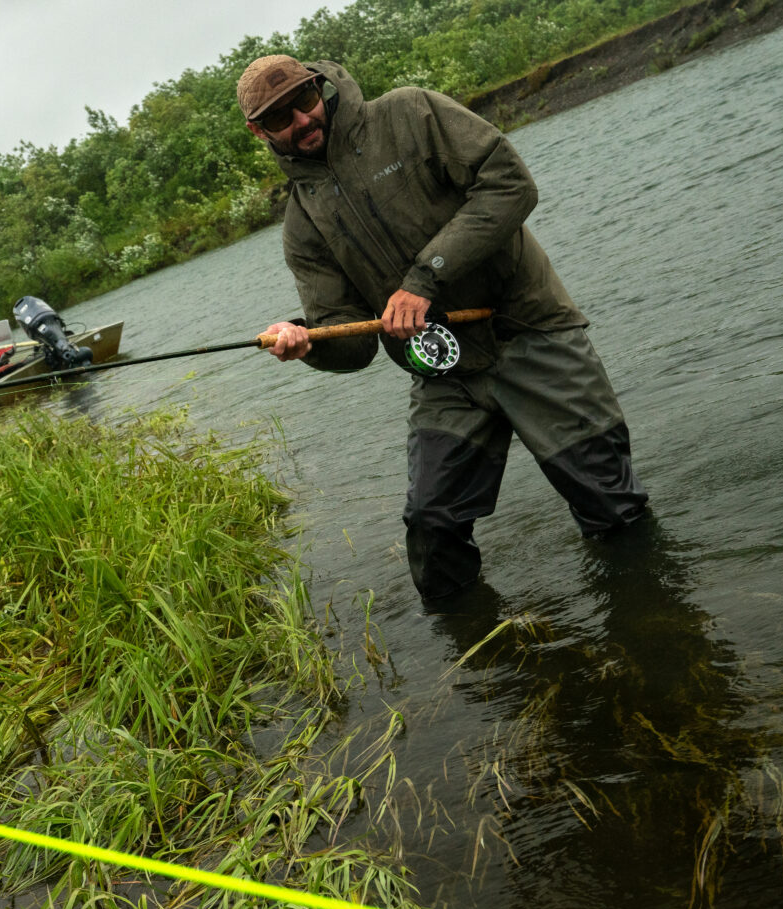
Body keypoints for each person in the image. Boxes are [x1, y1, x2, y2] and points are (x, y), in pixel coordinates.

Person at [239, 54, 648, 604]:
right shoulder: (301, 223)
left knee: (612, 510)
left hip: (527, 331)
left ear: (321, 88)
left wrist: (424, 278)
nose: (301, 121)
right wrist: (306, 341)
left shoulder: (410, 113)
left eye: (304, 102)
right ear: (258, 131)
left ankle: (655, 634)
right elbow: (352, 342)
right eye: (279, 118)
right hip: (444, 372)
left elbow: (511, 185)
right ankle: (479, 665)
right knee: (432, 529)